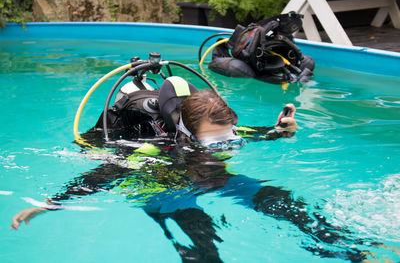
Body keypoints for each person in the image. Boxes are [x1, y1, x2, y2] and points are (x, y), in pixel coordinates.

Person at [10, 77, 367, 262]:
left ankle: (355, 253)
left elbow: (253, 134)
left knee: (280, 201)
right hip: (165, 192)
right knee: (203, 240)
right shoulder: (154, 149)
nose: (224, 147)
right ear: (186, 135)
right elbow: (100, 178)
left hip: (212, 182)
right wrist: (48, 204)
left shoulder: (224, 131)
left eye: (229, 139)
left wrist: (278, 131)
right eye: (215, 144)